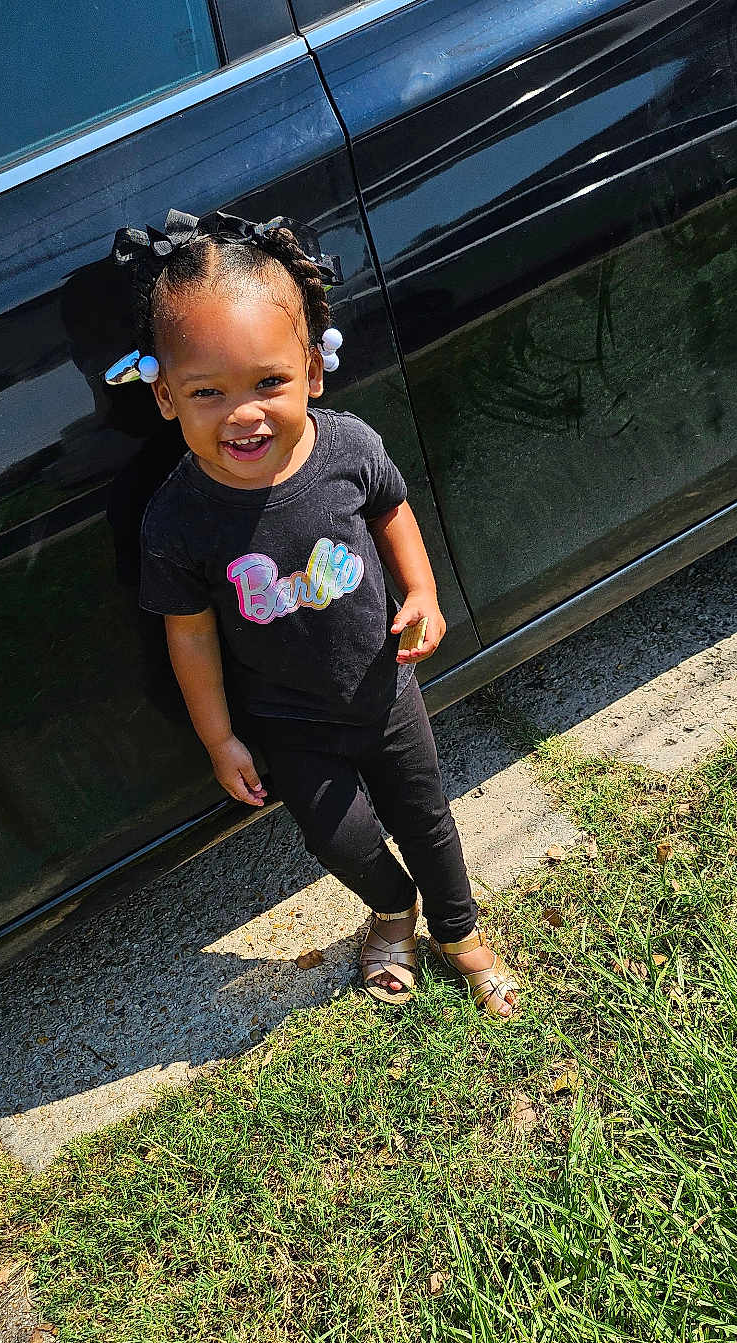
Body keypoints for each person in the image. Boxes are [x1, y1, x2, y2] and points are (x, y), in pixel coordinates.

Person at [106, 208, 518, 1018]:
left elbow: (393, 510)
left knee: (427, 817)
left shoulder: (347, 448)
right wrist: (220, 737)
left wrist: (424, 593)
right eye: (207, 393)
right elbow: (187, 635)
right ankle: (393, 911)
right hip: (286, 722)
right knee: (340, 839)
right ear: (163, 397)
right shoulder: (178, 519)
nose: (244, 414)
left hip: (382, 689)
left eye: (269, 383)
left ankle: (461, 933)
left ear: (313, 372)